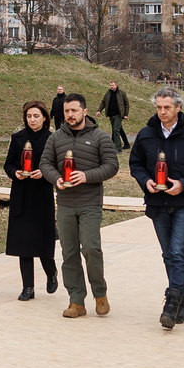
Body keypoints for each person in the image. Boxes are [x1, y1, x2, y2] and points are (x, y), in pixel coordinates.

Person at [129, 88, 184, 329]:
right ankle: (182, 301)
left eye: (167, 107)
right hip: (157, 202)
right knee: (168, 253)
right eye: (158, 107)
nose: (162, 111)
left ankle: (171, 302)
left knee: (177, 251)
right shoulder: (146, 134)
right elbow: (135, 163)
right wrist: (145, 180)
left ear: (179, 107)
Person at [41, 91, 119, 317]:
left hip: (90, 203)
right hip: (65, 203)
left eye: (74, 110)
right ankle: (76, 301)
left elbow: (111, 165)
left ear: (85, 111)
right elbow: (45, 163)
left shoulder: (100, 137)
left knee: (91, 248)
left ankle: (100, 293)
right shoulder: (55, 138)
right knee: (69, 252)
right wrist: (56, 178)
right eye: (66, 111)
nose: (70, 115)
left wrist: (86, 176)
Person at [2, 102, 58, 301]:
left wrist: (44, 172)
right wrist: (15, 172)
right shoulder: (18, 138)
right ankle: (28, 287)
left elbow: (58, 165)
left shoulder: (52, 139)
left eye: (36, 116)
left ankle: (51, 272)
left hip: (41, 193)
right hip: (22, 193)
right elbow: (8, 164)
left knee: (43, 241)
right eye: (29, 116)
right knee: (23, 242)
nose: (32, 120)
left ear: (44, 117)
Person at [99, 80, 130, 149]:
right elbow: (103, 102)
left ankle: (117, 147)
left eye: (112, 85)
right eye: (110, 85)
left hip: (119, 114)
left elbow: (126, 104)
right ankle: (126, 144)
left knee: (116, 130)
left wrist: (126, 114)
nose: (111, 87)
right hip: (111, 115)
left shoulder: (121, 93)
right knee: (118, 129)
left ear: (116, 85)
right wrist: (99, 111)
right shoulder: (108, 93)